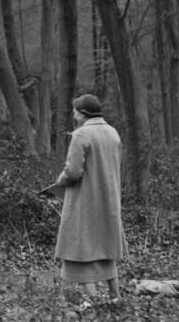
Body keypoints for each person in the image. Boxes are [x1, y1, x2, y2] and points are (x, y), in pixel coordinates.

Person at [41, 94, 125, 301]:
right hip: (109, 200)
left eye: (75, 111)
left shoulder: (82, 135)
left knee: (81, 249)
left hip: (85, 200)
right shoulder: (113, 133)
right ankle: (114, 296)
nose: (73, 114)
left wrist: (58, 182)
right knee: (105, 249)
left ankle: (93, 301)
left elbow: (72, 172)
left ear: (83, 113)